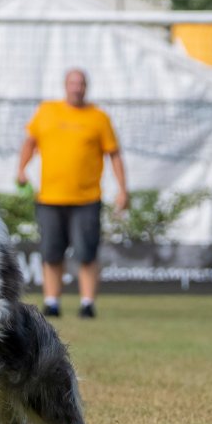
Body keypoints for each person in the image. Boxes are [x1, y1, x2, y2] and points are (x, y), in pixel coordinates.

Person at [16, 68, 128, 318]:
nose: (77, 87)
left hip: (86, 199)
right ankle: (52, 302)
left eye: (81, 83)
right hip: (49, 198)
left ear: (86, 87)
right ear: (65, 86)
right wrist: (21, 169)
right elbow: (30, 142)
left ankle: (87, 303)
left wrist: (122, 189)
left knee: (86, 253)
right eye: (73, 83)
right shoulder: (46, 111)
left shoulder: (99, 117)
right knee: (51, 252)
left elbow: (115, 154)